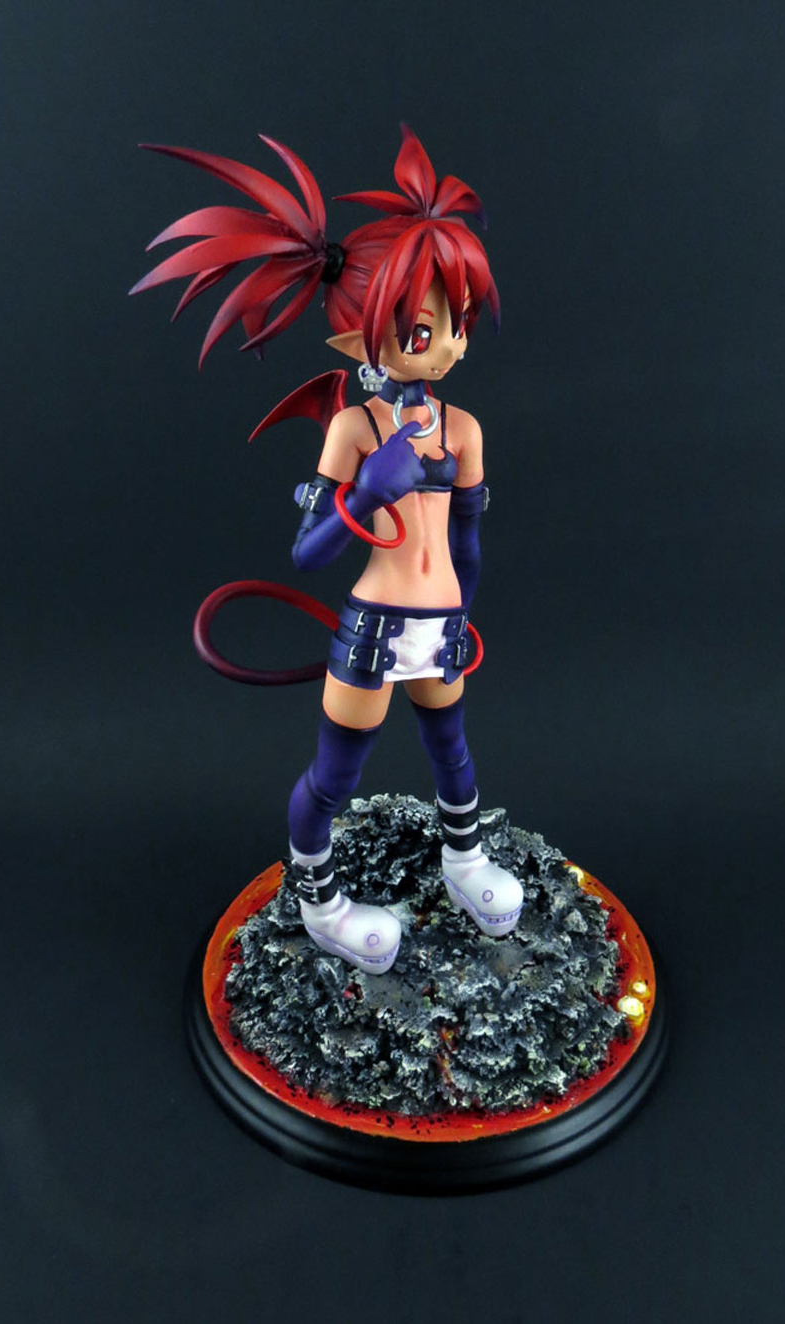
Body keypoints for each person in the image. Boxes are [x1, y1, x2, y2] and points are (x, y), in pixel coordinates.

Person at [132, 125, 524, 975]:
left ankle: (464, 863)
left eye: (457, 323)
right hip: (375, 627)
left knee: (453, 753)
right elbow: (307, 556)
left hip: (441, 626)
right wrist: (366, 492)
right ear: (360, 340)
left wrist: (464, 613)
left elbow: (467, 539)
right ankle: (320, 902)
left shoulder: (464, 429)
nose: (450, 346)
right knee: (335, 777)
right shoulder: (353, 426)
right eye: (423, 330)